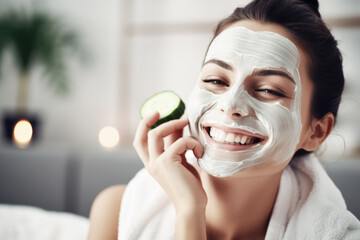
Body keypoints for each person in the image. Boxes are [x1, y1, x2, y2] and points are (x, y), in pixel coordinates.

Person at [87, 0, 360, 239]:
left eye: (268, 89)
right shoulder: (117, 213)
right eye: (215, 80)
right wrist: (188, 207)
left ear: (317, 132)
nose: (230, 106)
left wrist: (189, 214)